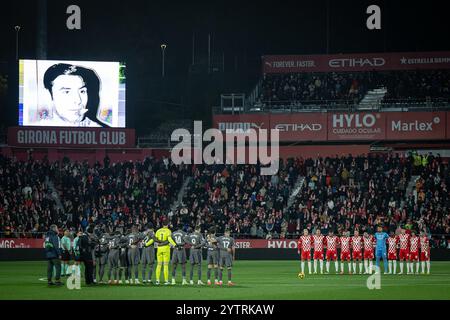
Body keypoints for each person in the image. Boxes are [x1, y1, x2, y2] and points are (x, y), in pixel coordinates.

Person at [41, 63, 108, 127]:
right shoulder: (38, 130)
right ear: (49, 95)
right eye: (66, 92)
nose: (78, 100)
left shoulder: (101, 131)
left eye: (82, 91)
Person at [150, 219, 176, 285]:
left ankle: (157, 280)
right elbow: (169, 239)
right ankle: (166, 281)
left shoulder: (158, 231)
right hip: (166, 249)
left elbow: (154, 239)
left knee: (158, 265)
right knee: (165, 265)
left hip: (159, 249)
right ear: (167, 224)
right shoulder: (168, 231)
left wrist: (147, 244)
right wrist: (175, 244)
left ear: (162, 224)